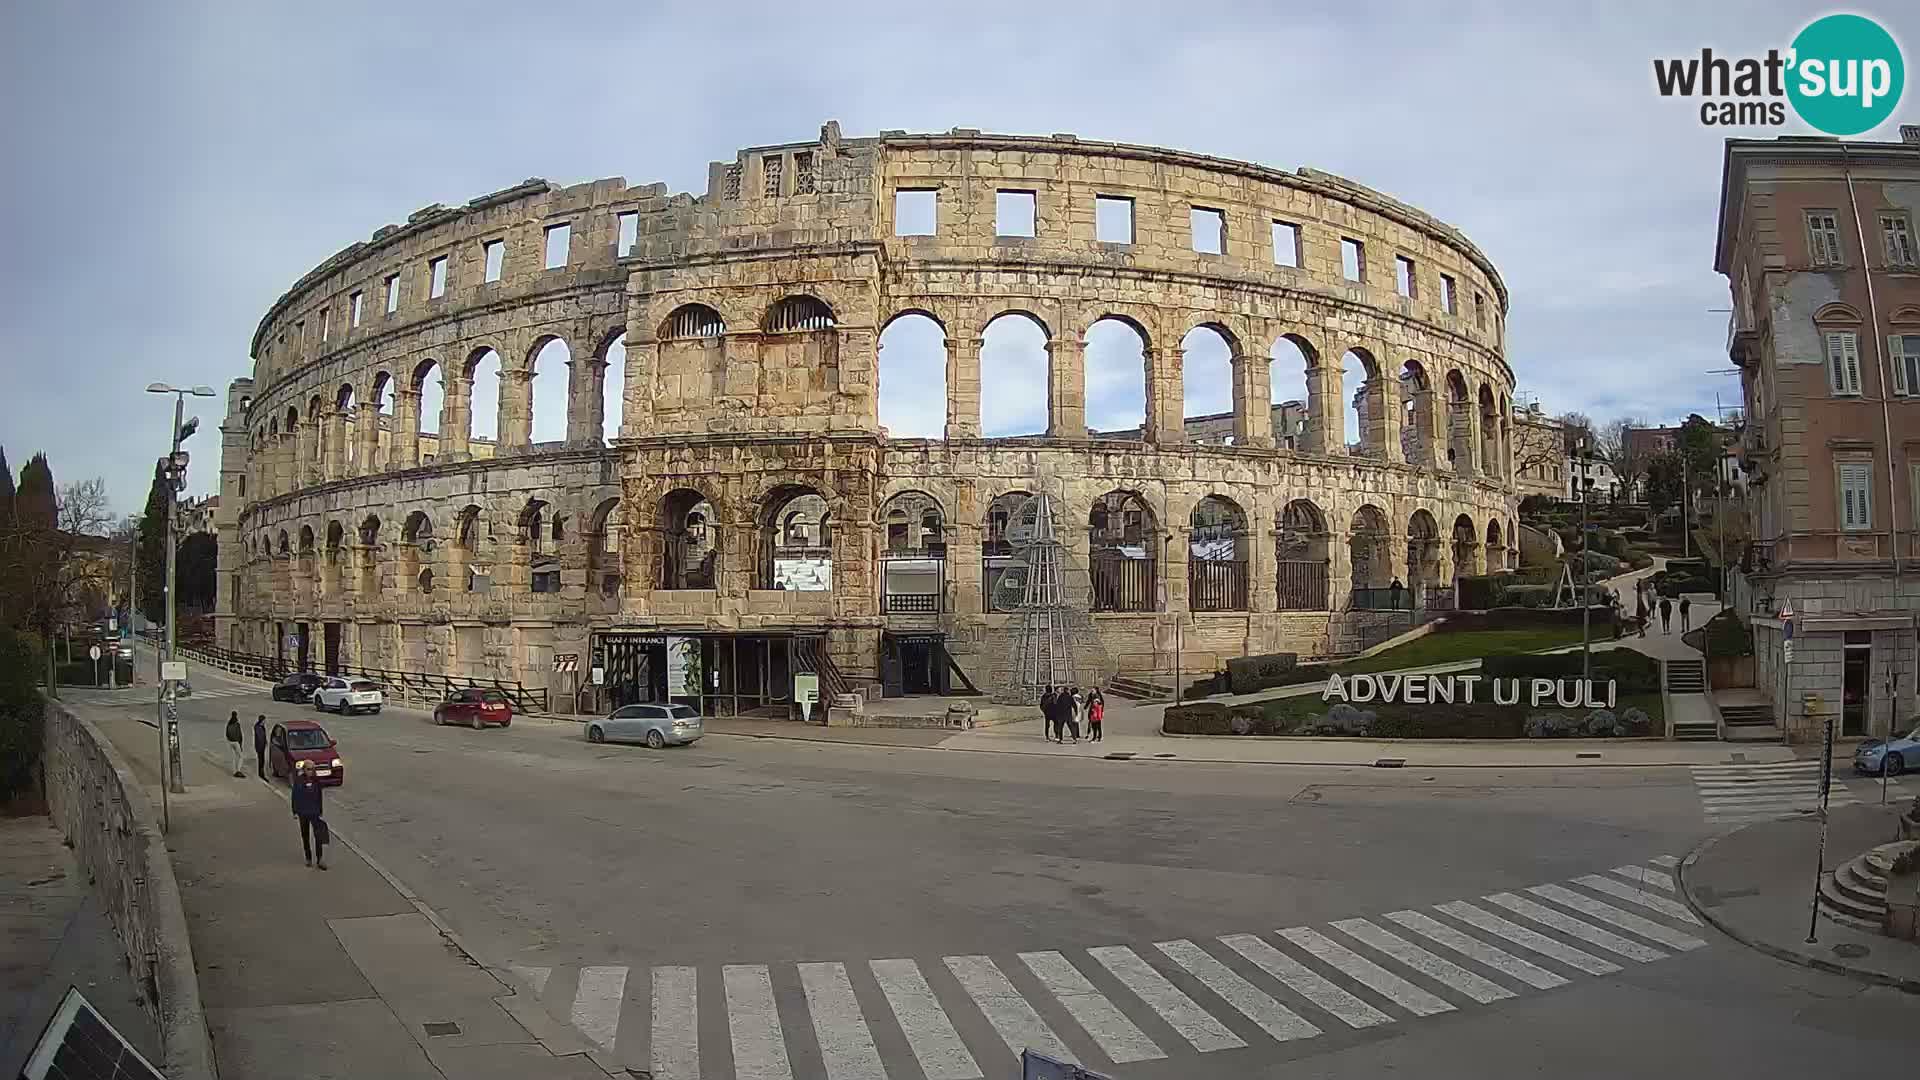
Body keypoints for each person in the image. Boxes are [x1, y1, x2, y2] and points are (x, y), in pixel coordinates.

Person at [292, 764, 328, 869]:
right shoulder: (299, 781)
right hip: (303, 812)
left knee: (318, 836)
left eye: (312, 769)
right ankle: (308, 858)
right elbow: (294, 796)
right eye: (308, 769)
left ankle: (320, 859)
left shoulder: (316, 781)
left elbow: (319, 795)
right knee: (305, 835)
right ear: (304, 770)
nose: (311, 771)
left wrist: (320, 810)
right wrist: (294, 811)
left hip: (314, 812)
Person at [224, 712, 245, 778]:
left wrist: (229, 739)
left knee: (233, 757)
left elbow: (226, 734)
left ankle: (234, 771)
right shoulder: (237, 724)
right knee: (241, 756)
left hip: (230, 742)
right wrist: (240, 744)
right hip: (236, 742)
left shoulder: (229, 724)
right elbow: (239, 735)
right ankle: (238, 770)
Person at [252, 714, 268, 779]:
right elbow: (260, 737)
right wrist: (263, 743)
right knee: (261, 760)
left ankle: (261, 773)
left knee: (262, 760)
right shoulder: (258, 727)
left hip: (262, 746)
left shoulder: (262, 727)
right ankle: (261, 774)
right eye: (264, 720)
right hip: (259, 746)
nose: (265, 722)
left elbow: (263, 736)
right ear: (262, 720)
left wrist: (265, 741)